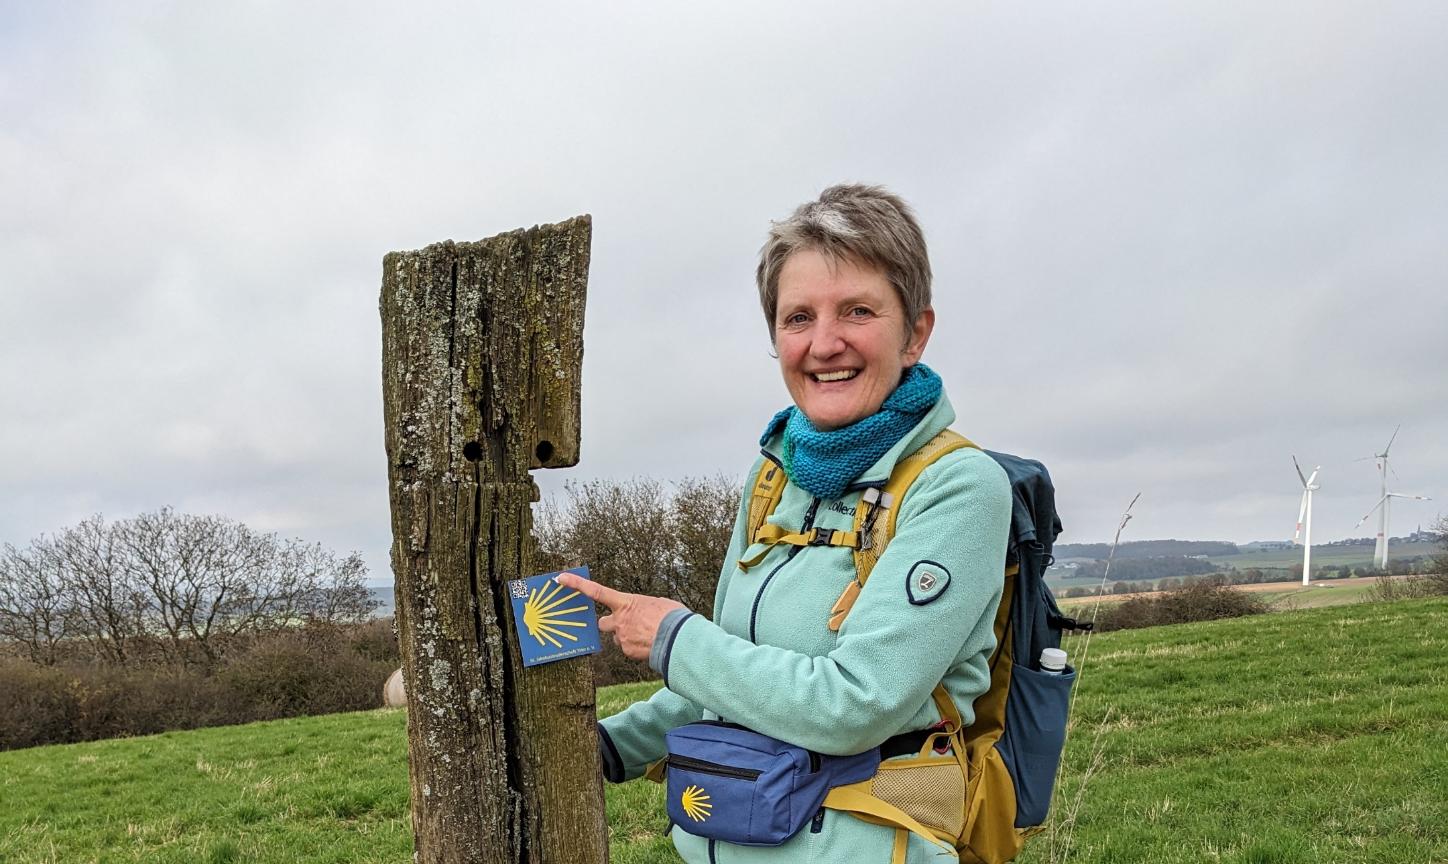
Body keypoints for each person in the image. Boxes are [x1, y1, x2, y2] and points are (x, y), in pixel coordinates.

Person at [556, 184, 1012, 864]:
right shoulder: (775, 476)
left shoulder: (957, 487)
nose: (824, 344)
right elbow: (734, 683)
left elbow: (857, 703)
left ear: (915, 331)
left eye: (857, 310)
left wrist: (674, 637)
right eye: (797, 318)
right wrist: (611, 745)